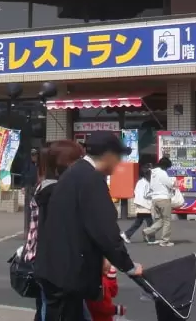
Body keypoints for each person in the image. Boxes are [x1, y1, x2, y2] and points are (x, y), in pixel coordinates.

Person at [35, 131, 142, 321]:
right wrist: (129, 266)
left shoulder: (74, 174)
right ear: (108, 155)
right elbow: (105, 231)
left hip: (55, 269)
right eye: (119, 157)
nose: (119, 163)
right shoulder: (91, 179)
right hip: (67, 275)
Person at [24, 140, 85, 321]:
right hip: (50, 260)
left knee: (46, 306)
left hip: (38, 255)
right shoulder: (55, 190)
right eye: (78, 160)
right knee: (52, 308)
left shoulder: (44, 187)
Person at [144, 155, 176, 247]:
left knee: (162, 219)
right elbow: (169, 184)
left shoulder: (153, 172)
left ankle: (147, 231)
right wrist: (174, 183)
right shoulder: (162, 173)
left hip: (155, 199)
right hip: (163, 198)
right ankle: (165, 241)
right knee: (167, 220)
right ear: (165, 166)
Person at [121, 162, 153, 244]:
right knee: (150, 222)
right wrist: (153, 194)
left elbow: (136, 192)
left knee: (138, 222)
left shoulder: (140, 182)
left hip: (139, 204)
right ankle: (149, 237)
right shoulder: (147, 183)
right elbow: (146, 194)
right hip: (144, 205)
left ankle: (127, 234)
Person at [23, 148, 39, 236]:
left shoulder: (39, 164)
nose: (34, 157)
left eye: (35, 155)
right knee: (28, 209)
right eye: (32, 155)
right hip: (29, 187)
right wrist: (23, 186)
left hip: (36, 187)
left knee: (36, 209)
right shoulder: (28, 164)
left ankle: (35, 229)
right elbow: (24, 174)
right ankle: (27, 229)